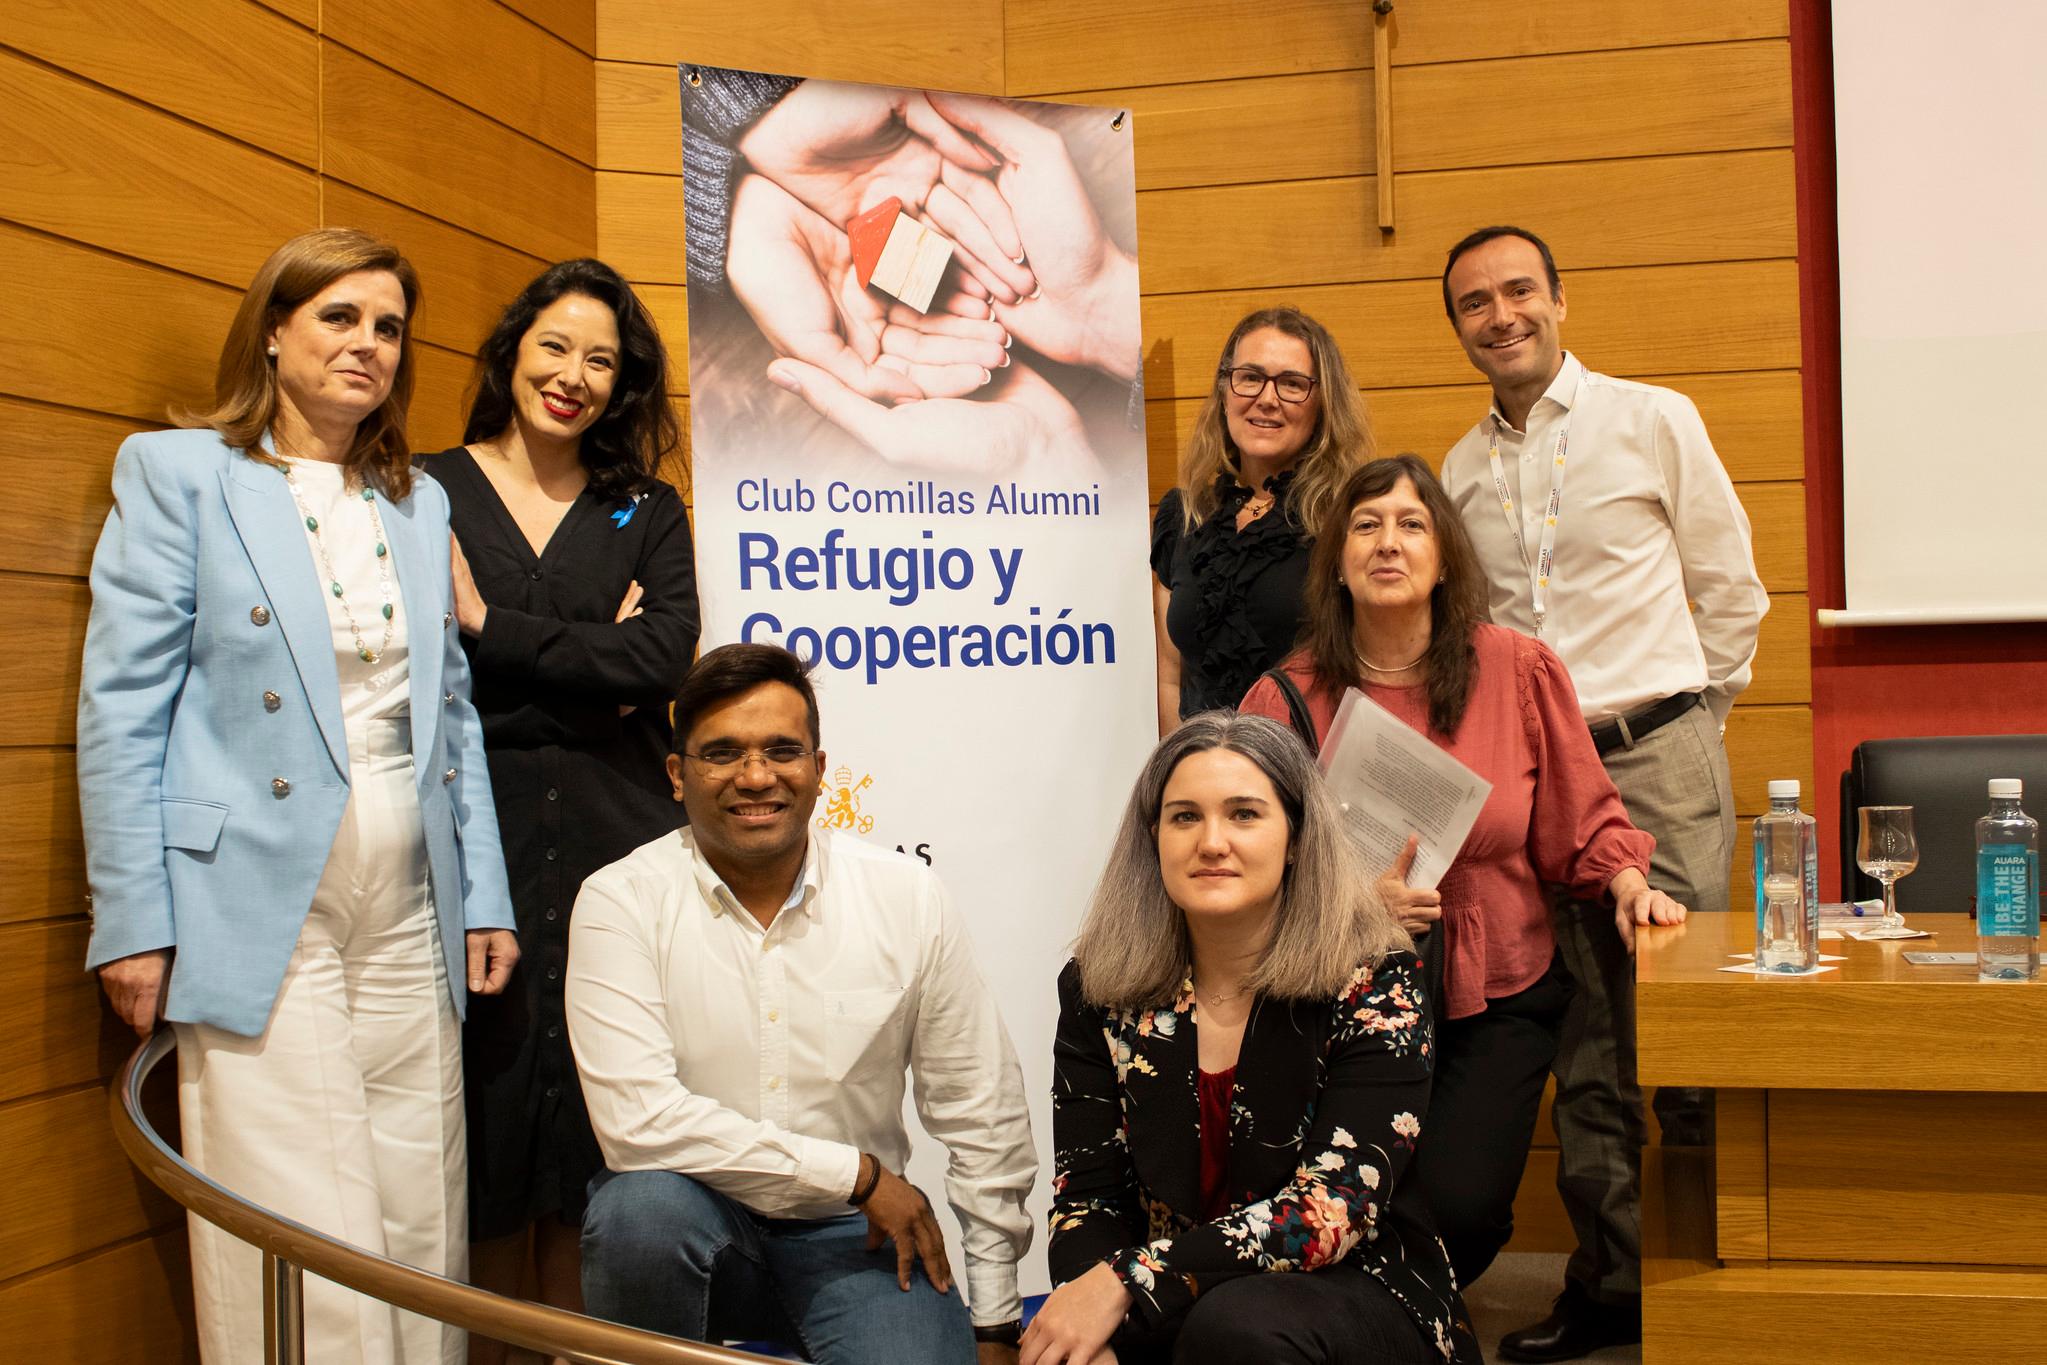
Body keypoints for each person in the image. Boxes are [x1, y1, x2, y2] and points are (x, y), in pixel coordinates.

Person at [78, 227, 517, 1363]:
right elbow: (121, 707)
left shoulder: (419, 502)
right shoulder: (179, 473)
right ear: (273, 329)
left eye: (387, 328)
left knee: (421, 1205)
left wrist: (487, 896)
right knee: (293, 1210)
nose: (367, 345)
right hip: (254, 890)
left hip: (414, 887)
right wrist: (133, 918)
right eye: (339, 317)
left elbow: (453, 713)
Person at [1435, 225, 1768, 1361]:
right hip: (1536, 781)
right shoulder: (1457, 471)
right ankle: (1614, 1287)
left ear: (1559, 300)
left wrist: (1689, 725)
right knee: (1582, 1035)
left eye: (1518, 290)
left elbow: (1730, 589)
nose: (1500, 314)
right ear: (1461, 327)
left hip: (1658, 758)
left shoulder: (1651, 419)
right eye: (1474, 302)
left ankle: (1728, 1278)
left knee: (1681, 1031)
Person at [1240, 454, 1682, 1291]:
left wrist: (1628, 883)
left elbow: (1580, 819)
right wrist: (1346, 902)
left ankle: (1371, 1317)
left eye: (1412, 525)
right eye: (1364, 526)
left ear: (1445, 556)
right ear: (1334, 559)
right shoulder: (1284, 697)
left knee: (1461, 1210)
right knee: (1331, 1203)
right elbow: (1250, 864)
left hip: (1498, 989)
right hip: (1337, 996)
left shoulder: (1517, 668)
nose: (1388, 543)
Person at [567, 644, 1036, 1364]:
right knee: (639, 1214)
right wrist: (857, 1173)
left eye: (781, 750)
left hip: (857, 1234)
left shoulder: (904, 896)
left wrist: (998, 1321)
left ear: (819, 770)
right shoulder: (619, 901)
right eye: (721, 753)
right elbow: (638, 1123)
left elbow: (981, 1109)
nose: (755, 776)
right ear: (675, 776)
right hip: (700, 1220)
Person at [415, 258, 700, 1358]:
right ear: (510, 352)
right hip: (466, 839)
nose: (573, 376)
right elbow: (411, 661)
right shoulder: (424, 488)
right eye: (554, 348)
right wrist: (597, 658)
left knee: (597, 1119)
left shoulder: (641, 505)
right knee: (478, 1122)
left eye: (601, 360)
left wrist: (489, 629)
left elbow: (665, 652)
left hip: (612, 836)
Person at [1030, 712, 1480, 1365]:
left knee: (1236, 1326)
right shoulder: (1097, 988)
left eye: (1243, 814)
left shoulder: (1376, 981)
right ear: (1152, 837)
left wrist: (1129, 1279)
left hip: (1353, 1291)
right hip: (1175, 1296)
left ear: (1295, 837)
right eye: (1184, 816)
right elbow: (1088, 1194)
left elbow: (1329, 1212)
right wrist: (1087, 1311)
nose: (1212, 841)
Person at [1150, 307, 1372, 732]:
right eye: (1250, 377)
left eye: (1292, 384)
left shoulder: (1351, 516)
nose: (1266, 399)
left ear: (1323, 403)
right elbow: (1169, 673)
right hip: (1208, 777)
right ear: (1224, 390)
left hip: (1310, 778)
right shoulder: (1184, 514)